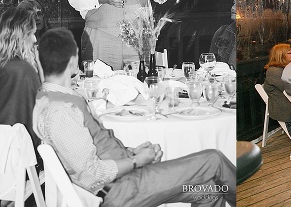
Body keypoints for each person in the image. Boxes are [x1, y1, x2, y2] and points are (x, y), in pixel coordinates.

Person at [33, 28, 235, 206]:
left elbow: (86, 149)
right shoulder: (60, 111)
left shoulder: (55, 98)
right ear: (72, 61)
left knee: (210, 191)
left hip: (121, 180)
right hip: (117, 191)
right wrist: (137, 161)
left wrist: (131, 152)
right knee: (213, 160)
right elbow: (91, 174)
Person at [0, 8, 44, 168]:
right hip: (21, 162)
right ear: (20, 37)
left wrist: (37, 63)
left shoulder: (6, 65)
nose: (35, 39)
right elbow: (39, 121)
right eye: (31, 34)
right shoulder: (23, 71)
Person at [262, 43, 291, 132]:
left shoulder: (287, 68)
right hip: (284, 107)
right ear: (281, 56)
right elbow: (289, 89)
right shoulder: (274, 71)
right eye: (290, 53)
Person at [210, 2, 237, 69]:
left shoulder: (254, 38)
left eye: (239, 5)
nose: (233, 8)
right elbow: (209, 62)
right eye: (234, 3)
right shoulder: (221, 32)